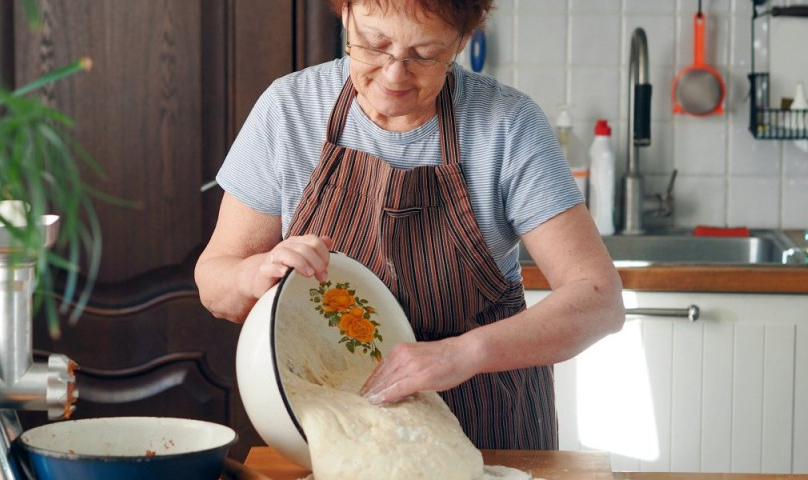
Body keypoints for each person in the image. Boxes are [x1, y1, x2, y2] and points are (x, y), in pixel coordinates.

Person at [195, 0, 624, 450]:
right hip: (337, 416)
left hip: (487, 421)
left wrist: (464, 353)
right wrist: (253, 276)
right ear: (345, 15)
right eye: (374, 44)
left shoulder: (508, 126)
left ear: (461, 41)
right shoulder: (290, 111)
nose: (394, 74)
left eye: (425, 54)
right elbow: (214, 280)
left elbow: (599, 301)